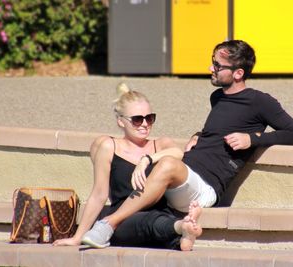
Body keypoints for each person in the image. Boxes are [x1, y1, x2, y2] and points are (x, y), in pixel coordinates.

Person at [82, 39, 293, 248]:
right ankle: (170, 233)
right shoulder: (218, 97)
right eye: (212, 62)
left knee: (167, 164)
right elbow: (218, 131)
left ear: (238, 73)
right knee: (131, 173)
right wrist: (199, 134)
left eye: (218, 65)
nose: (211, 68)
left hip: (205, 187)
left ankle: (108, 224)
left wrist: (252, 139)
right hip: (186, 177)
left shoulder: (260, 101)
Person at [53, 83, 202, 251]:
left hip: (158, 212)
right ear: (121, 121)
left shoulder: (159, 144)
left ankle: (183, 231)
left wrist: (146, 160)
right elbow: (99, 195)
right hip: (122, 218)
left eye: (150, 118)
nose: (145, 124)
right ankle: (182, 228)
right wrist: (77, 237)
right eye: (137, 119)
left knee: (157, 220)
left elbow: (177, 153)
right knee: (142, 223)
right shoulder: (109, 147)